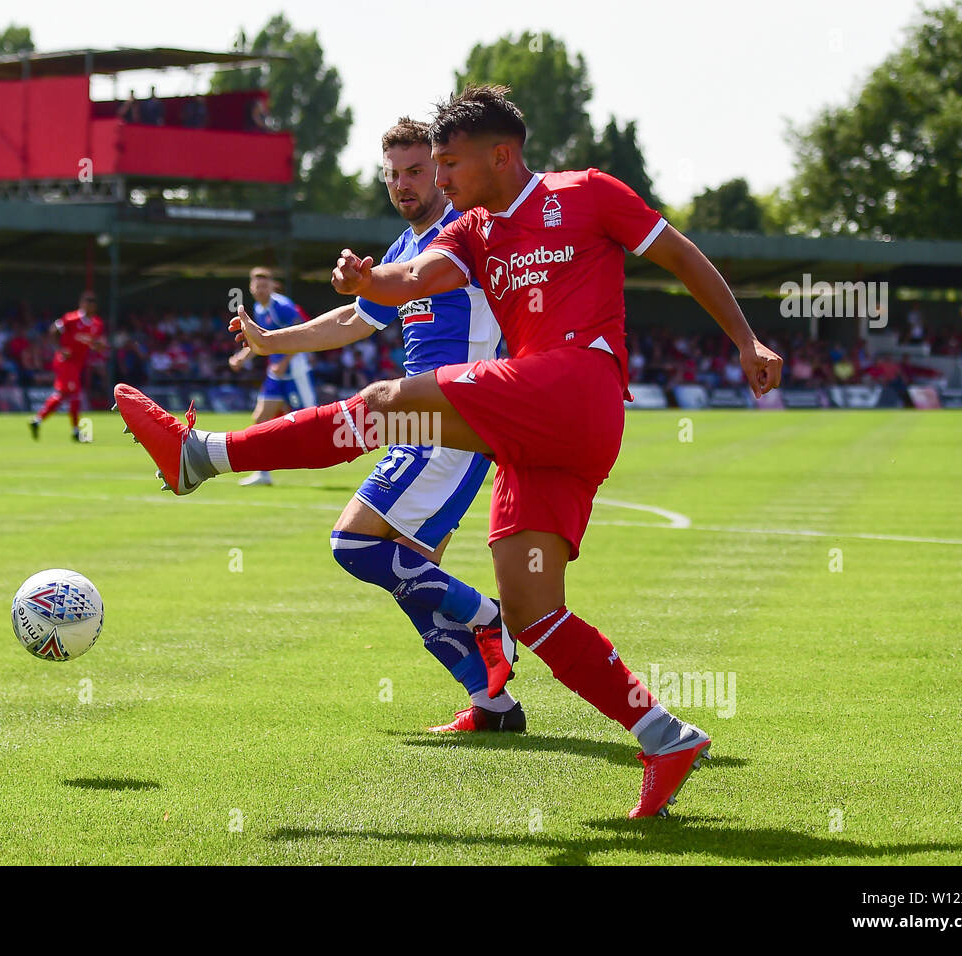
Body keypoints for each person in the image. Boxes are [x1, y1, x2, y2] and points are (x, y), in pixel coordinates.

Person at [113, 86, 783, 817]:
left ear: (501, 155)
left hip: (575, 386)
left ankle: (202, 455)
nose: (441, 178)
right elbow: (413, 280)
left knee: (384, 404)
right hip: (542, 437)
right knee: (533, 612)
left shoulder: (586, 193)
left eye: (450, 164)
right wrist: (368, 281)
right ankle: (663, 734)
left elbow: (679, 253)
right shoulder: (469, 232)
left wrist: (745, 337)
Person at [226, 118, 518, 732]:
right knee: (412, 577)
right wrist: (268, 339)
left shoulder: (464, 238)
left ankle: (488, 617)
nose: (404, 184)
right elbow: (353, 321)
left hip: (451, 417)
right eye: (393, 174)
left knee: (354, 544)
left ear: (441, 170)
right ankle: (493, 704)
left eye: (416, 171)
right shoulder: (402, 251)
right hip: (421, 420)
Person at [226, 267, 315, 486]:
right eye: (256, 284)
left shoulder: (282, 307)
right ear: (251, 287)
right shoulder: (257, 307)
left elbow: (302, 335)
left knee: (311, 419)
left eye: (264, 285)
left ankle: (339, 451)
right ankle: (263, 473)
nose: (260, 289)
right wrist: (241, 357)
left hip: (294, 371)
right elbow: (261, 341)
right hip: (276, 373)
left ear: (272, 286)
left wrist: (284, 362)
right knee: (260, 418)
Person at [30, 292, 106, 442]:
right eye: (87, 303)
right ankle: (76, 431)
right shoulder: (71, 319)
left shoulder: (97, 324)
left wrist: (98, 346)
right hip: (65, 361)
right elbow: (53, 330)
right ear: (82, 304)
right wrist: (59, 349)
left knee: (63, 395)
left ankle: (37, 420)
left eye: (92, 304)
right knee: (75, 394)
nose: (89, 307)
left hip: (78, 363)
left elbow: (94, 343)